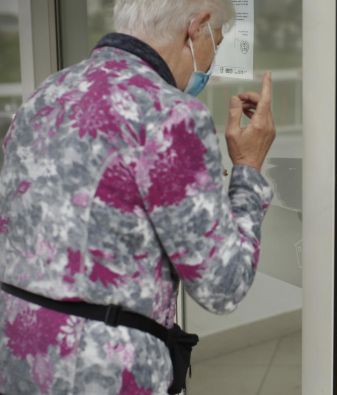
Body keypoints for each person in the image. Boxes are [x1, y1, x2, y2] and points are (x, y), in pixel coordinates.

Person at [0, 0, 275, 393]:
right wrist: (248, 170)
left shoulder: (46, 93)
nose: (214, 59)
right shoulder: (170, 115)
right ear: (196, 29)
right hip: (99, 371)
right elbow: (223, 285)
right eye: (218, 38)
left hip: (18, 352)